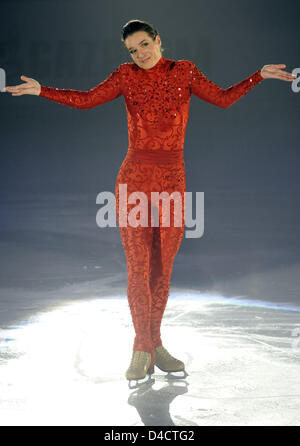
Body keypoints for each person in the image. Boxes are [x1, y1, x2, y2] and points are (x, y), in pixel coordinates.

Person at [5, 19, 296, 385]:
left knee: (162, 270)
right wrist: (41, 90)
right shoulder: (125, 76)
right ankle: (142, 349)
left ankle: (153, 345)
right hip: (134, 180)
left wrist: (258, 76)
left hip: (173, 182)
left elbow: (222, 99)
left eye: (144, 45)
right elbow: (85, 100)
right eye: (133, 50)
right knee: (138, 268)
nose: (140, 54)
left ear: (158, 40)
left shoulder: (184, 71)